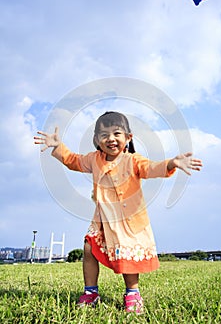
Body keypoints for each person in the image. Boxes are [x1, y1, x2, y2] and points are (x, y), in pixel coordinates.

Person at [34, 111, 202, 314]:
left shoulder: (133, 160)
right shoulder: (94, 159)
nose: (110, 139)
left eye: (117, 133)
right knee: (89, 248)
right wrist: (57, 146)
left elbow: (151, 167)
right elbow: (74, 161)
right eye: (104, 135)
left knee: (128, 257)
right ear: (96, 140)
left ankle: (132, 293)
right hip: (102, 220)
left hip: (128, 221)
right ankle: (91, 292)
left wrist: (171, 163)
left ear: (128, 137)